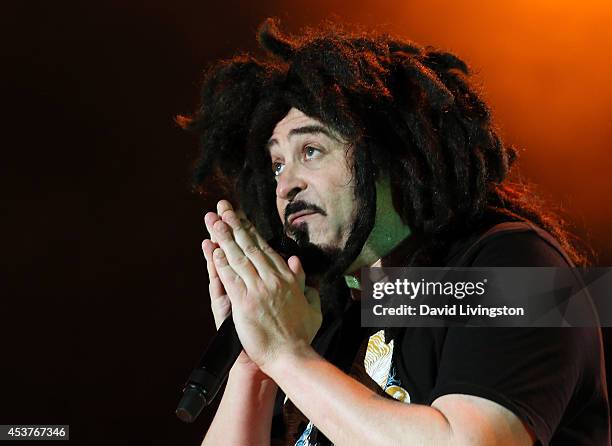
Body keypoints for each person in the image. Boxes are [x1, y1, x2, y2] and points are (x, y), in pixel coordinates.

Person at [178, 18, 609, 445]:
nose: (286, 184)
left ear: (385, 155)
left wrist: (287, 354)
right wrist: (254, 363)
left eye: (311, 150)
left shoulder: (522, 270)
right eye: (277, 165)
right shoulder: (328, 316)